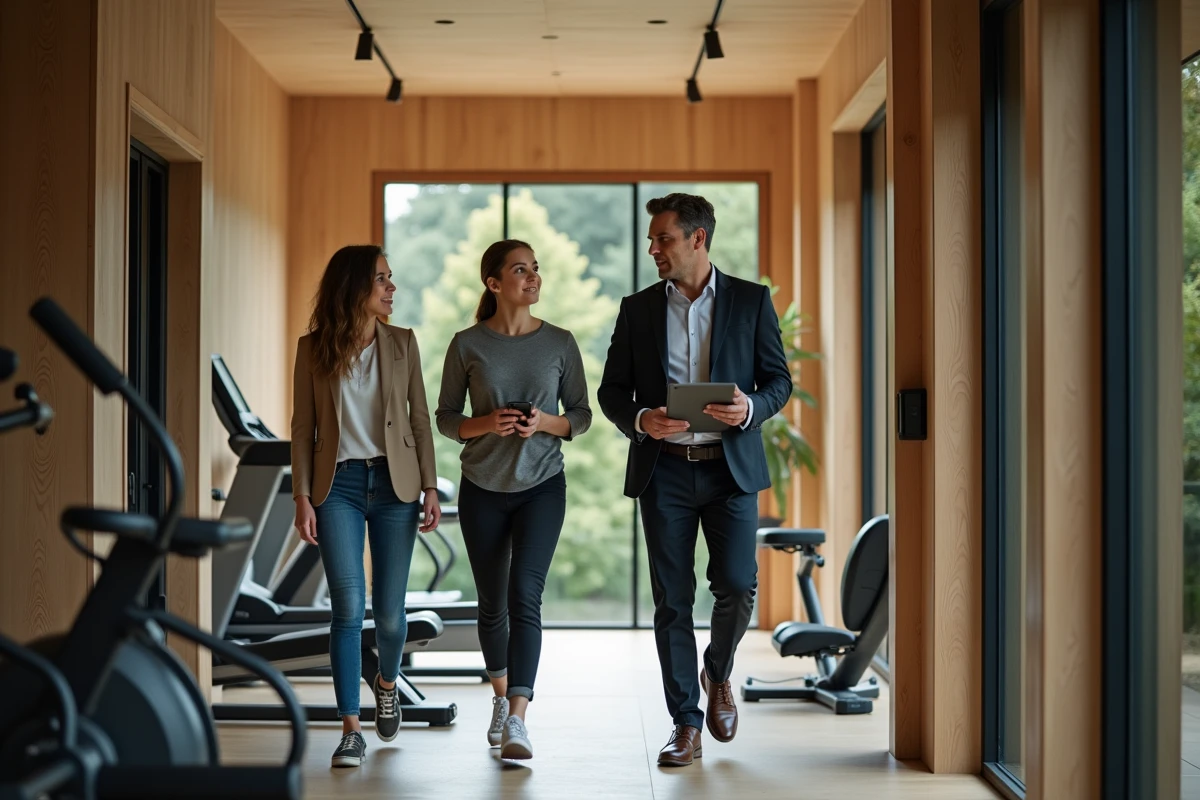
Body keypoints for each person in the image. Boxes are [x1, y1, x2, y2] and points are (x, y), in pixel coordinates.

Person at [598, 193, 793, 767]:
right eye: (653, 240)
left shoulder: (751, 301)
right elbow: (612, 391)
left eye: (663, 238)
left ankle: (718, 672)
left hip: (730, 471)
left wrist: (751, 408)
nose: (653, 248)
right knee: (672, 602)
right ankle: (685, 723)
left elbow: (778, 380)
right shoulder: (636, 310)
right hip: (665, 475)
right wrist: (641, 419)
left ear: (697, 239)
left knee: (736, 585)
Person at [435, 239, 592, 760]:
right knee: (492, 604)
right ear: (493, 283)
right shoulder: (466, 344)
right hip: (482, 486)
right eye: (520, 270)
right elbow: (445, 418)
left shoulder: (561, 343)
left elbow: (581, 415)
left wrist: (545, 423)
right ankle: (500, 697)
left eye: (536, 269)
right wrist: (489, 423)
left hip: (543, 486)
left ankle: (519, 718)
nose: (533, 278)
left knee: (526, 595)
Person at [290, 244, 442, 768]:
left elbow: (419, 418)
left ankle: (386, 681)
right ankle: (350, 728)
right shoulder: (313, 350)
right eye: (381, 279)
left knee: (392, 616)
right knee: (348, 610)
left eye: (391, 279)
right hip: (339, 488)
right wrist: (302, 496)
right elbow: (303, 429)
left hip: (395, 485)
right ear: (354, 286)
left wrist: (430, 486)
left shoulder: (402, 343)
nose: (391, 288)